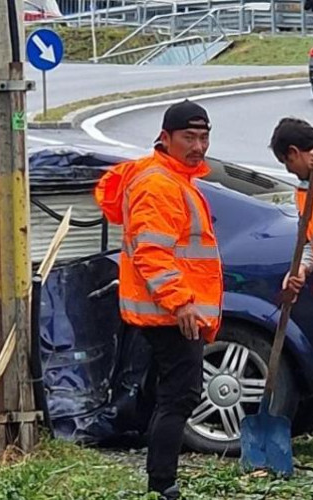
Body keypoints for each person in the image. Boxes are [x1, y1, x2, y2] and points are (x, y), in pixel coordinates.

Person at [95, 100, 223, 500]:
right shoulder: (160, 184)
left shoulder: (170, 177)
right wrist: (182, 302)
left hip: (164, 312)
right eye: (189, 137)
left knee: (160, 394)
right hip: (172, 314)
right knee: (180, 397)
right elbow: (153, 253)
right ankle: (163, 484)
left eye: (203, 137)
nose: (198, 146)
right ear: (165, 138)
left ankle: (157, 474)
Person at [269, 117, 313, 301]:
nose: (289, 171)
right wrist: (301, 268)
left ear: (293, 152)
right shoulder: (305, 192)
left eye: (285, 162)